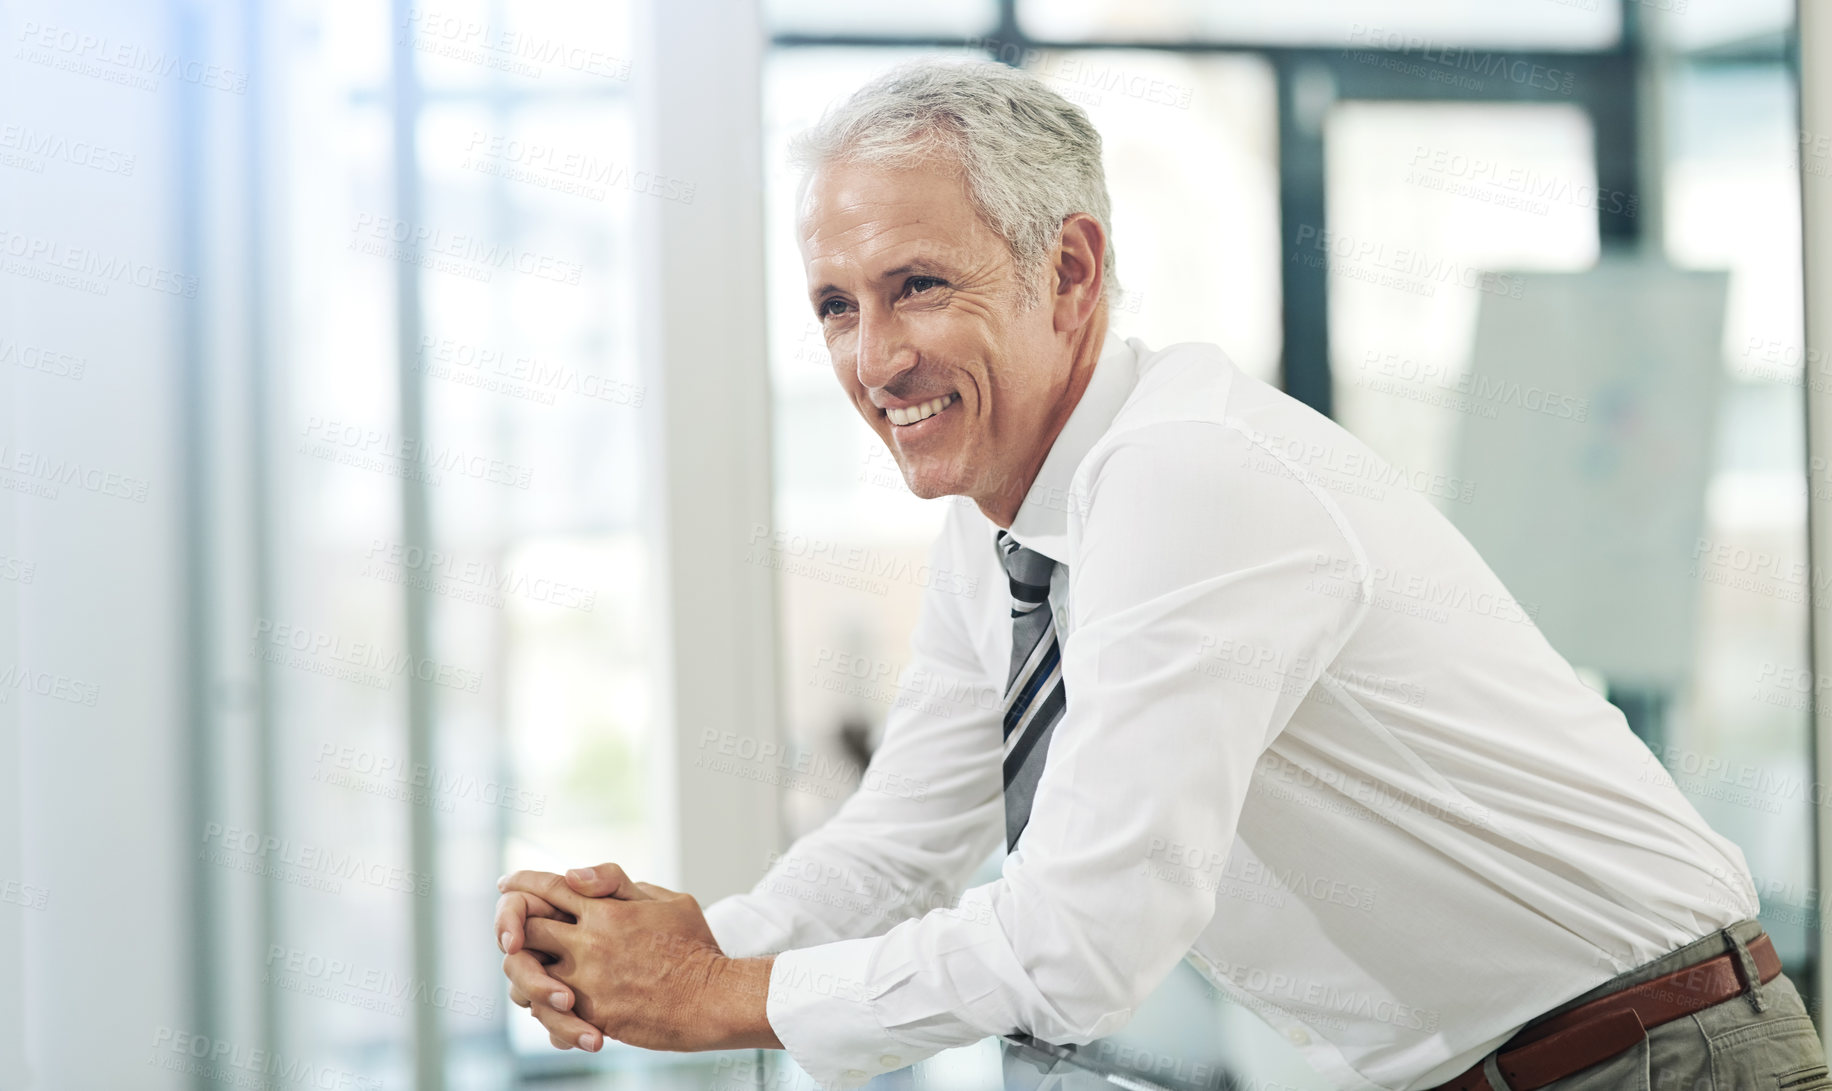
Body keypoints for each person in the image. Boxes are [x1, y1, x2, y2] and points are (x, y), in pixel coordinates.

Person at [493, 59, 1829, 1090]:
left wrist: (719, 994)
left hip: (1659, 1058)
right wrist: (653, 958)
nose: (873, 357)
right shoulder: (1007, 527)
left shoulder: (1186, 480)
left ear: (1067, 272)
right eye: (837, 306)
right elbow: (900, 845)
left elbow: (1078, 946)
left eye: (916, 286)